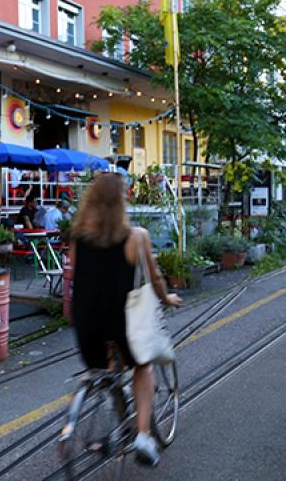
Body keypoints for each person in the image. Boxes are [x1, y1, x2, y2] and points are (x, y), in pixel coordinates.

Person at [70, 173, 181, 467]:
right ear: (122, 201)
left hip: (86, 326)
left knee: (104, 369)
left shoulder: (78, 236)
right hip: (124, 324)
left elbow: (74, 278)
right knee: (143, 367)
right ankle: (143, 436)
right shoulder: (136, 236)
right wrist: (167, 298)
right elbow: (155, 278)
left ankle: (103, 408)